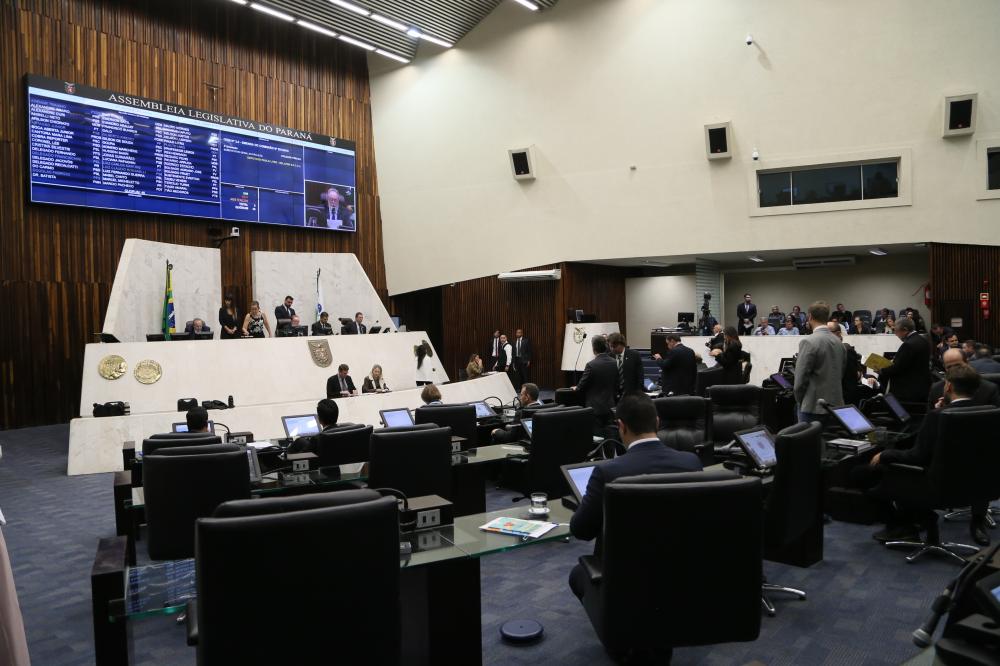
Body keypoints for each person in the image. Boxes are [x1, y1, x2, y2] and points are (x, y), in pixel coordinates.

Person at [568, 393, 701, 599]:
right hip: (681, 572)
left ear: (621, 426)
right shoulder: (691, 462)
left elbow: (581, 530)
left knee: (577, 575)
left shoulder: (607, 472)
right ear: (657, 422)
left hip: (626, 580)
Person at [868, 365, 990, 546]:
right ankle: (917, 519)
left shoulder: (937, 416)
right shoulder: (987, 413)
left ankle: (906, 525)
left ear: (948, 386)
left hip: (938, 487)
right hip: (974, 485)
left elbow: (916, 457)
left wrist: (885, 454)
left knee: (862, 473)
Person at [792, 302, 844, 424]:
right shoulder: (839, 343)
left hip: (812, 407)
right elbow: (840, 373)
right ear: (827, 317)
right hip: (836, 407)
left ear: (809, 316)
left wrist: (801, 401)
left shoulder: (808, 341)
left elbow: (800, 381)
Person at [877, 318, 931, 403]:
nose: (896, 334)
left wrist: (881, 370)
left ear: (905, 330)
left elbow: (897, 367)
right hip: (922, 387)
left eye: (896, 331)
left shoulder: (908, 345)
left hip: (907, 391)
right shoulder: (923, 340)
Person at [926, 348, 1000, 410]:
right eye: (949, 367)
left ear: (967, 363)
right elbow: (929, 419)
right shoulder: (936, 389)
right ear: (944, 367)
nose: (954, 370)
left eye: (957, 366)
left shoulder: (989, 389)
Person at [573, 335, 618, 431]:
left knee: (597, 436)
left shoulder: (591, 365)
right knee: (610, 435)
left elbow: (580, 387)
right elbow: (617, 384)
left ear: (594, 349)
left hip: (595, 409)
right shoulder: (615, 362)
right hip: (610, 406)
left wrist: (575, 388)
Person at [286, 399, 354, 454]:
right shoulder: (347, 433)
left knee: (298, 441)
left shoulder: (317, 439)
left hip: (320, 466)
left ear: (319, 419)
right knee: (301, 441)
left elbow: (300, 456)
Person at [608, 332, 644, 398]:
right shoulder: (609, 356)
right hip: (613, 395)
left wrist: (639, 394)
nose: (612, 349)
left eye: (614, 346)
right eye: (610, 346)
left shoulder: (634, 355)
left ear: (622, 344)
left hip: (631, 395)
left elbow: (640, 377)